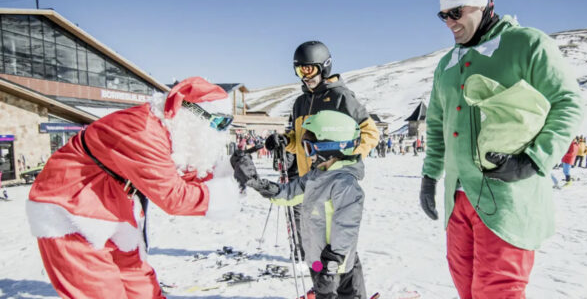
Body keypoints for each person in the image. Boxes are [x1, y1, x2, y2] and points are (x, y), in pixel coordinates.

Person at [419, 0, 584, 299]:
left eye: (456, 12)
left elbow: (568, 103)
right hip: (458, 199)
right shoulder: (446, 64)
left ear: (484, 5)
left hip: (506, 195)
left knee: (498, 291)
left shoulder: (527, 44)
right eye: (443, 15)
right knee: (466, 289)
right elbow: (436, 123)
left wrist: (535, 160)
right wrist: (429, 176)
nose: (449, 22)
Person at [26, 77, 239, 299]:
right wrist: (224, 192)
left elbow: (178, 173)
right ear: (191, 114)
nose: (221, 132)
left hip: (113, 202)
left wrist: (227, 174)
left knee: (140, 283)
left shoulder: (168, 129)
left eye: (226, 123)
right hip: (70, 206)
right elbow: (173, 196)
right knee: (99, 290)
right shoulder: (142, 130)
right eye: (218, 122)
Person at [264, 41, 379, 266]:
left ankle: (349, 289)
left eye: (310, 69)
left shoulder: (341, 97)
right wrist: (283, 141)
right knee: (315, 245)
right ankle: (321, 286)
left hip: (334, 181)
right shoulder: (300, 102)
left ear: (324, 67)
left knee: (338, 243)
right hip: (309, 181)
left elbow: (371, 133)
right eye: (300, 70)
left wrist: (346, 158)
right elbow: (299, 141)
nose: (305, 76)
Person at [250, 110, 368, 298]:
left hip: (338, 267)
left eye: (309, 147)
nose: (306, 154)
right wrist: (256, 183)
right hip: (316, 261)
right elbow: (288, 193)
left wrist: (332, 267)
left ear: (329, 147)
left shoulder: (345, 184)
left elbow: (346, 228)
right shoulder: (317, 175)